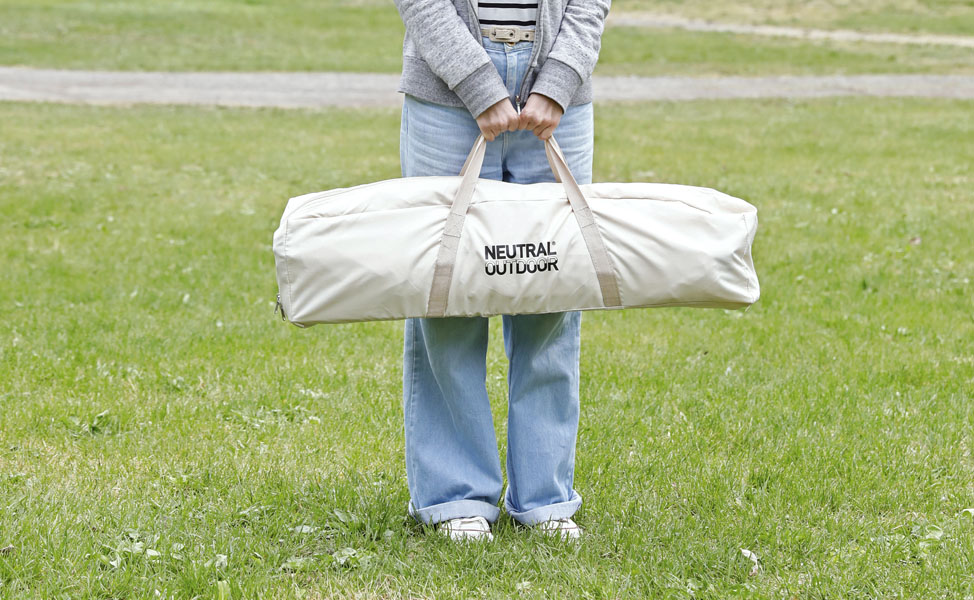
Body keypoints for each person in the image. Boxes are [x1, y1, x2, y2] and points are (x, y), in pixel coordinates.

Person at [394, 0, 611, 541]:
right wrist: (478, 82)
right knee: (447, 297)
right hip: (445, 97)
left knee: (552, 296)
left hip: (559, 92)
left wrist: (557, 81)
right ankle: (455, 499)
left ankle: (545, 499)